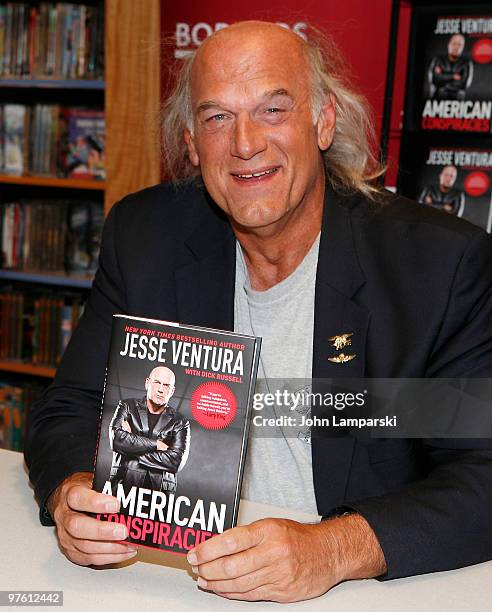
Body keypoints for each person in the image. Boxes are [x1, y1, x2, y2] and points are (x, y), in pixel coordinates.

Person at [25, 21, 492, 602]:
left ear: (323, 121)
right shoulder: (145, 237)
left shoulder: (437, 266)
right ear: (192, 144)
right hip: (168, 582)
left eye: (273, 109)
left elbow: (482, 473)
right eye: (217, 117)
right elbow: (67, 408)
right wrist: (70, 491)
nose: (244, 143)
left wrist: (332, 549)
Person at [109, 366, 190, 494]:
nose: (160, 390)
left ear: (172, 391)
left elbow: (176, 462)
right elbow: (117, 440)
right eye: (157, 383)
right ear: (147, 383)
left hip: (161, 496)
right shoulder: (127, 406)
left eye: (166, 385)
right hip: (123, 486)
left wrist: (131, 446)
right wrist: (157, 445)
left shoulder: (180, 422)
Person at [428, 33, 473, 100]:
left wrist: (442, 83)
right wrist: (453, 77)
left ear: (462, 47)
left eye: (459, 45)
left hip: (457, 101)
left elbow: (464, 83)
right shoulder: (438, 60)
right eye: (454, 43)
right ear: (449, 44)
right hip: (437, 99)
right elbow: (434, 79)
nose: (456, 47)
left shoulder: (467, 63)